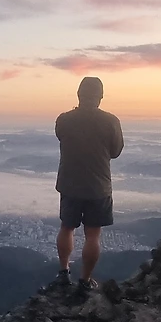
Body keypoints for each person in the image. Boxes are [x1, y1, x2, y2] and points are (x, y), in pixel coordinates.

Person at [54, 76, 123, 290]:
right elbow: (115, 151)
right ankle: (85, 280)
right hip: (98, 186)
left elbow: (60, 137)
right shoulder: (111, 121)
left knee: (67, 227)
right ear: (100, 97)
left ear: (78, 95)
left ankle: (64, 272)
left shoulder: (64, 120)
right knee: (93, 235)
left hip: (69, 184)